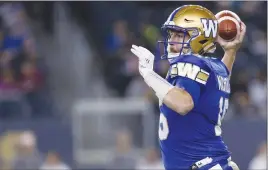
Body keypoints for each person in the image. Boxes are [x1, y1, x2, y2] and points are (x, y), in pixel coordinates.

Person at [130, 5, 246, 170]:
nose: (171, 41)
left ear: (200, 37)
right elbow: (222, 74)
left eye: (179, 35)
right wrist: (231, 52)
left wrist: (148, 74)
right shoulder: (215, 66)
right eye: (171, 34)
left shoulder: (190, 62)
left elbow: (183, 104)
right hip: (210, 163)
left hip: (201, 164)